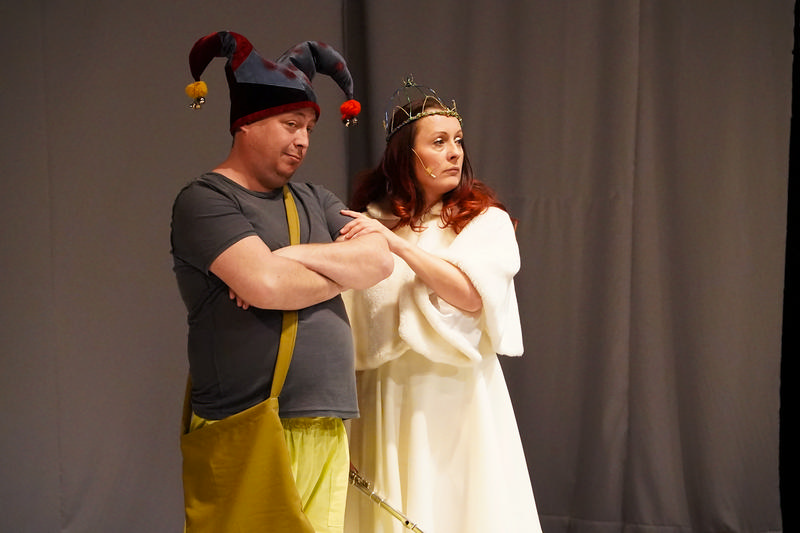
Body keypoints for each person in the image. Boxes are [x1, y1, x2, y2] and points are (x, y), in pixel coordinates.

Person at [170, 31, 392, 533]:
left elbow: (378, 260)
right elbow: (266, 285)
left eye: (309, 127)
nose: (303, 140)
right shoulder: (205, 200)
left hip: (325, 421)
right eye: (291, 124)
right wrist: (333, 269)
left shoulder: (317, 198)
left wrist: (290, 258)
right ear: (247, 124)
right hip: (247, 422)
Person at [339, 78, 542, 533]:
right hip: (385, 396)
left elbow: (470, 294)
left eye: (458, 141)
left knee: (460, 510)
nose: (455, 153)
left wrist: (397, 246)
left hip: (455, 396)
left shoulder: (485, 222)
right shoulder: (370, 222)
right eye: (438, 142)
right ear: (405, 156)